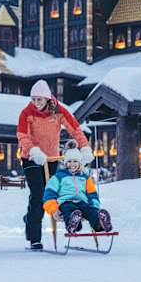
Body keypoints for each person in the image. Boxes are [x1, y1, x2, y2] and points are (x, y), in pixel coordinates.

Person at [16, 79, 93, 250]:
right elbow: (22, 135)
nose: (36, 103)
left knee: (53, 194)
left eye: (40, 100)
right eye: (34, 99)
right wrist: (34, 151)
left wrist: (85, 146)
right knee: (38, 195)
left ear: (48, 99)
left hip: (51, 158)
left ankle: (35, 220)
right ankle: (34, 237)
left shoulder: (59, 111)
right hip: (31, 158)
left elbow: (75, 129)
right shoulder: (26, 113)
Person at [42, 146, 112, 234]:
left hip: (82, 202)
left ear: (80, 163)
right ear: (65, 163)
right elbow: (49, 194)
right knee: (70, 209)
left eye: (75, 161)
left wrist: (95, 207)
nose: (72, 164)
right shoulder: (58, 177)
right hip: (65, 202)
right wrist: (54, 210)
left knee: (91, 211)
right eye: (69, 161)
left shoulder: (85, 177)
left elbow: (92, 194)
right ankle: (73, 224)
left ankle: (100, 224)